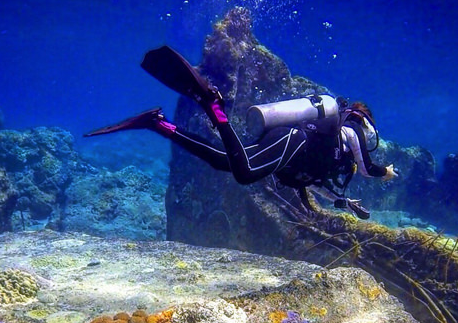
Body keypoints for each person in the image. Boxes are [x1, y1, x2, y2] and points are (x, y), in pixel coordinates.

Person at [84, 46, 396, 219]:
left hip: (287, 148)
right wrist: (384, 172)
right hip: (291, 141)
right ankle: (211, 105)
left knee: (224, 160)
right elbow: (367, 169)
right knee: (244, 173)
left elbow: (315, 187)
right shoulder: (349, 130)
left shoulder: (333, 161)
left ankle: (159, 124)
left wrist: (345, 203)